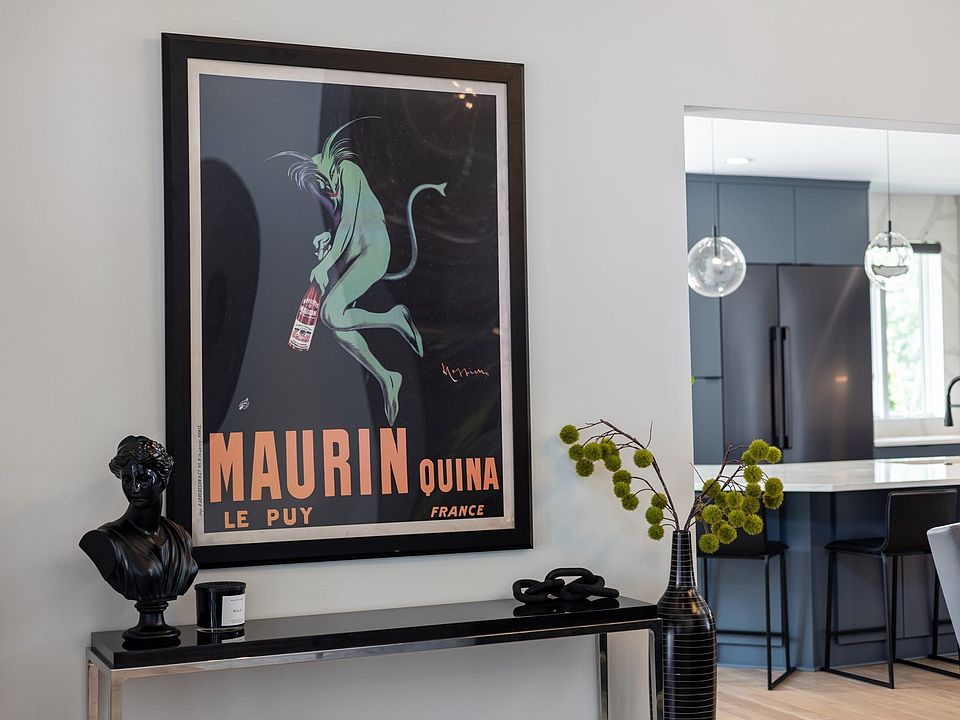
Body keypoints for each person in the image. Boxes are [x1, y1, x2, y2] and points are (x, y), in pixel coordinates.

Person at [80, 436, 198, 603]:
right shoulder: (103, 539)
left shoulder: (181, 536)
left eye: (143, 479)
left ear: (163, 481)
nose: (134, 488)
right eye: (127, 480)